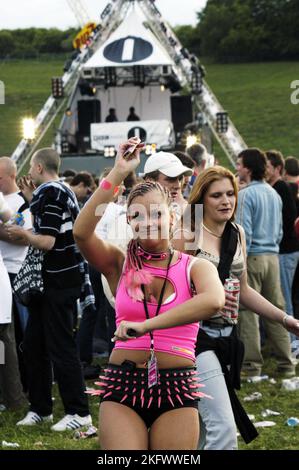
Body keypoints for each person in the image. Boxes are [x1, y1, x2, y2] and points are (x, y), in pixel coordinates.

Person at [73, 137, 225, 450]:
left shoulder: (195, 267)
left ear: (172, 215)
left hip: (177, 388)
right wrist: (118, 172)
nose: (148, 222)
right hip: (123, 387)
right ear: (128, 221)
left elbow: (213, 301)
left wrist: (145, 326)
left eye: (156, 213)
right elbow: (81, 233)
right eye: (137, 216)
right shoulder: (119, 263)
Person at [173, 166, 299, 450]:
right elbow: (169, 295)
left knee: (201, 431)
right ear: (202, 199)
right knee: (224, 430)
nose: (226, 201)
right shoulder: (187, 232)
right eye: (216, 195)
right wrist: (207, 299)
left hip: (227, 339)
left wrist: (284, 319)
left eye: (230, 193)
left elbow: (243, 290)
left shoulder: (237, 232)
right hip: (193, 339)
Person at [6, 148, 92, 431]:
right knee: (34, 346)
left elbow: (48, 241)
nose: (28, 173)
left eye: (31, 167)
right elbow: (48, 222)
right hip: (50, 282)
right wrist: (31, 200)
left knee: (61, 347)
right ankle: (41, 409)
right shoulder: (53, 192)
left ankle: (79, 412)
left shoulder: (53, 193)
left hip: (58, 281)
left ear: (40, 168)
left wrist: (22, 235)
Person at [236, 148, 296, 378]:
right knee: (277, 312)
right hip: (273, 257)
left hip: (252, 257)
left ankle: (251, 368)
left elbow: (244, 234)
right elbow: (281, 230)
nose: (237, 168)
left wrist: (240, 262)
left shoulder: (245, 195)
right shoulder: (273, 193)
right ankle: (287, 364)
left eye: (240, 164)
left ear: (248, 169)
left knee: (248, 312)